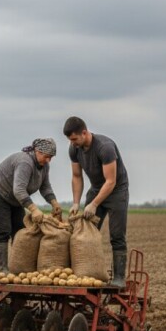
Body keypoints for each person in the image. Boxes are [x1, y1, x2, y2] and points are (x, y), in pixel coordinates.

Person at [63, 116, 129, 288]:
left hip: (116, 191)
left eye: (74, 139)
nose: (72, 143)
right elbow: (76, 176)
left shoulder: (105, 147)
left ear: (84, 133)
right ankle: (86, 272)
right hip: (96, 188)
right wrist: (76, 203)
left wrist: (94, 204)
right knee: (85, 232)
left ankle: (119, 278)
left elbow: (111, 181)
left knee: (117, 235)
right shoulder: (74, 149)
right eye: (70, 140)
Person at [0, 138, 62, 273]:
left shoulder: (44, 166)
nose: (49, 160)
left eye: (51, 157)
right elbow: (19, 190)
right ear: (38, 151)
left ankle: (17, 267)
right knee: (3, 231)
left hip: (14, 198)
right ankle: (1, 270)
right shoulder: (25, 162)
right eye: (47, 156)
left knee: (20, 230)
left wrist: (54, 202)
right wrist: (34, 209)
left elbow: (45, 187)